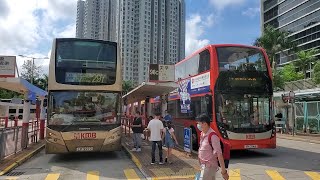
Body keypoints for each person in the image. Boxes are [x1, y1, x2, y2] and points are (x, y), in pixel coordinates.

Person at [197, 114, 229, 180]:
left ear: (205, 124)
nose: (198, 125)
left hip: (209, 166)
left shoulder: (213, 136)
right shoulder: (202, 133)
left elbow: (219, 154)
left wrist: (223, 172)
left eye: (199, 123)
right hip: (203, 166)